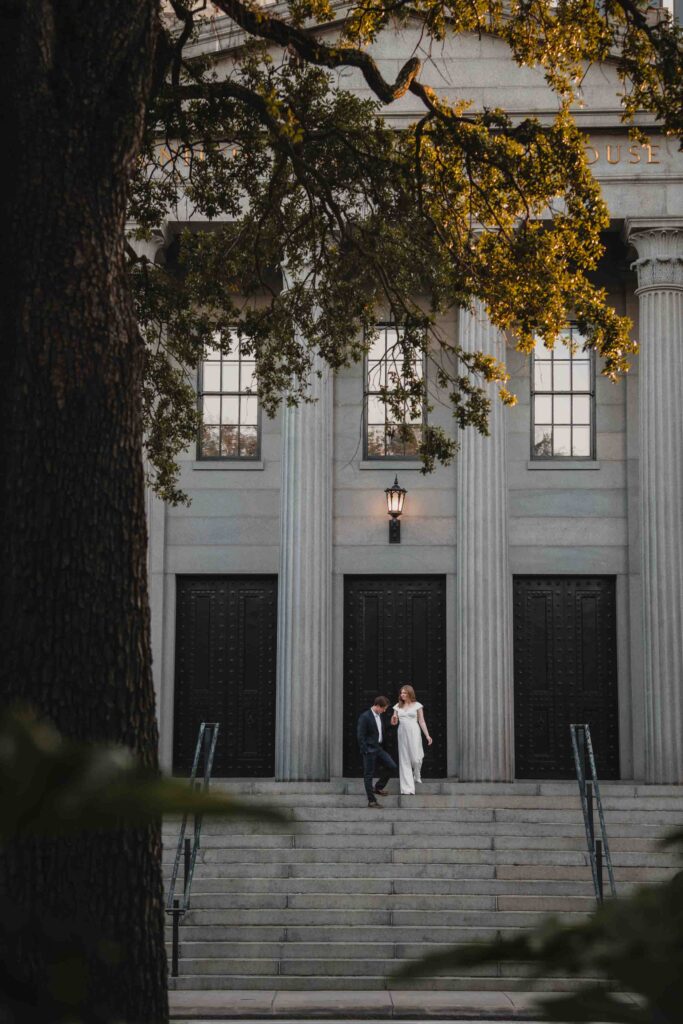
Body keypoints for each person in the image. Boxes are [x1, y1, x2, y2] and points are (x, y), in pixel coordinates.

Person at [391, 685, 432, 795]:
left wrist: (427, 736)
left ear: (410, 693)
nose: (402, 695)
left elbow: (422, 721)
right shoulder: (397, 706)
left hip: (414, 731)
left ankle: (417, 773)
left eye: (404, 693)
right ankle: (407, 788)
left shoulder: (417, 705)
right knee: (404, 759)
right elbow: (394, 722)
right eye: (401, 693)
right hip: (402, 732)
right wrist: (394, 718)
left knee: (415, 758)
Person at [357, 696, 397, 808]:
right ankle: (372, 801)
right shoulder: (365, 717)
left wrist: (391, 725)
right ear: (378, 706)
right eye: (383, 708)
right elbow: (360, 736)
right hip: (369, 750)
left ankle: (378, 787)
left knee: (392, 766)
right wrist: (365, 750)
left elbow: (380, 731)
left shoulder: (380, 716)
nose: (384, 711)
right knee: (368, 775)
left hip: (378, 748)